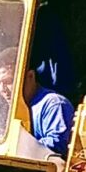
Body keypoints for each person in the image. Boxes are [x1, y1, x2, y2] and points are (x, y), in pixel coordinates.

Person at [26, 16, 77, 157]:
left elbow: (57, 144)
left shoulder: (53, 104)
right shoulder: (7, 109)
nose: (2, 89)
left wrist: (21, 146)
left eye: (7, 83)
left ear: (30, 76)